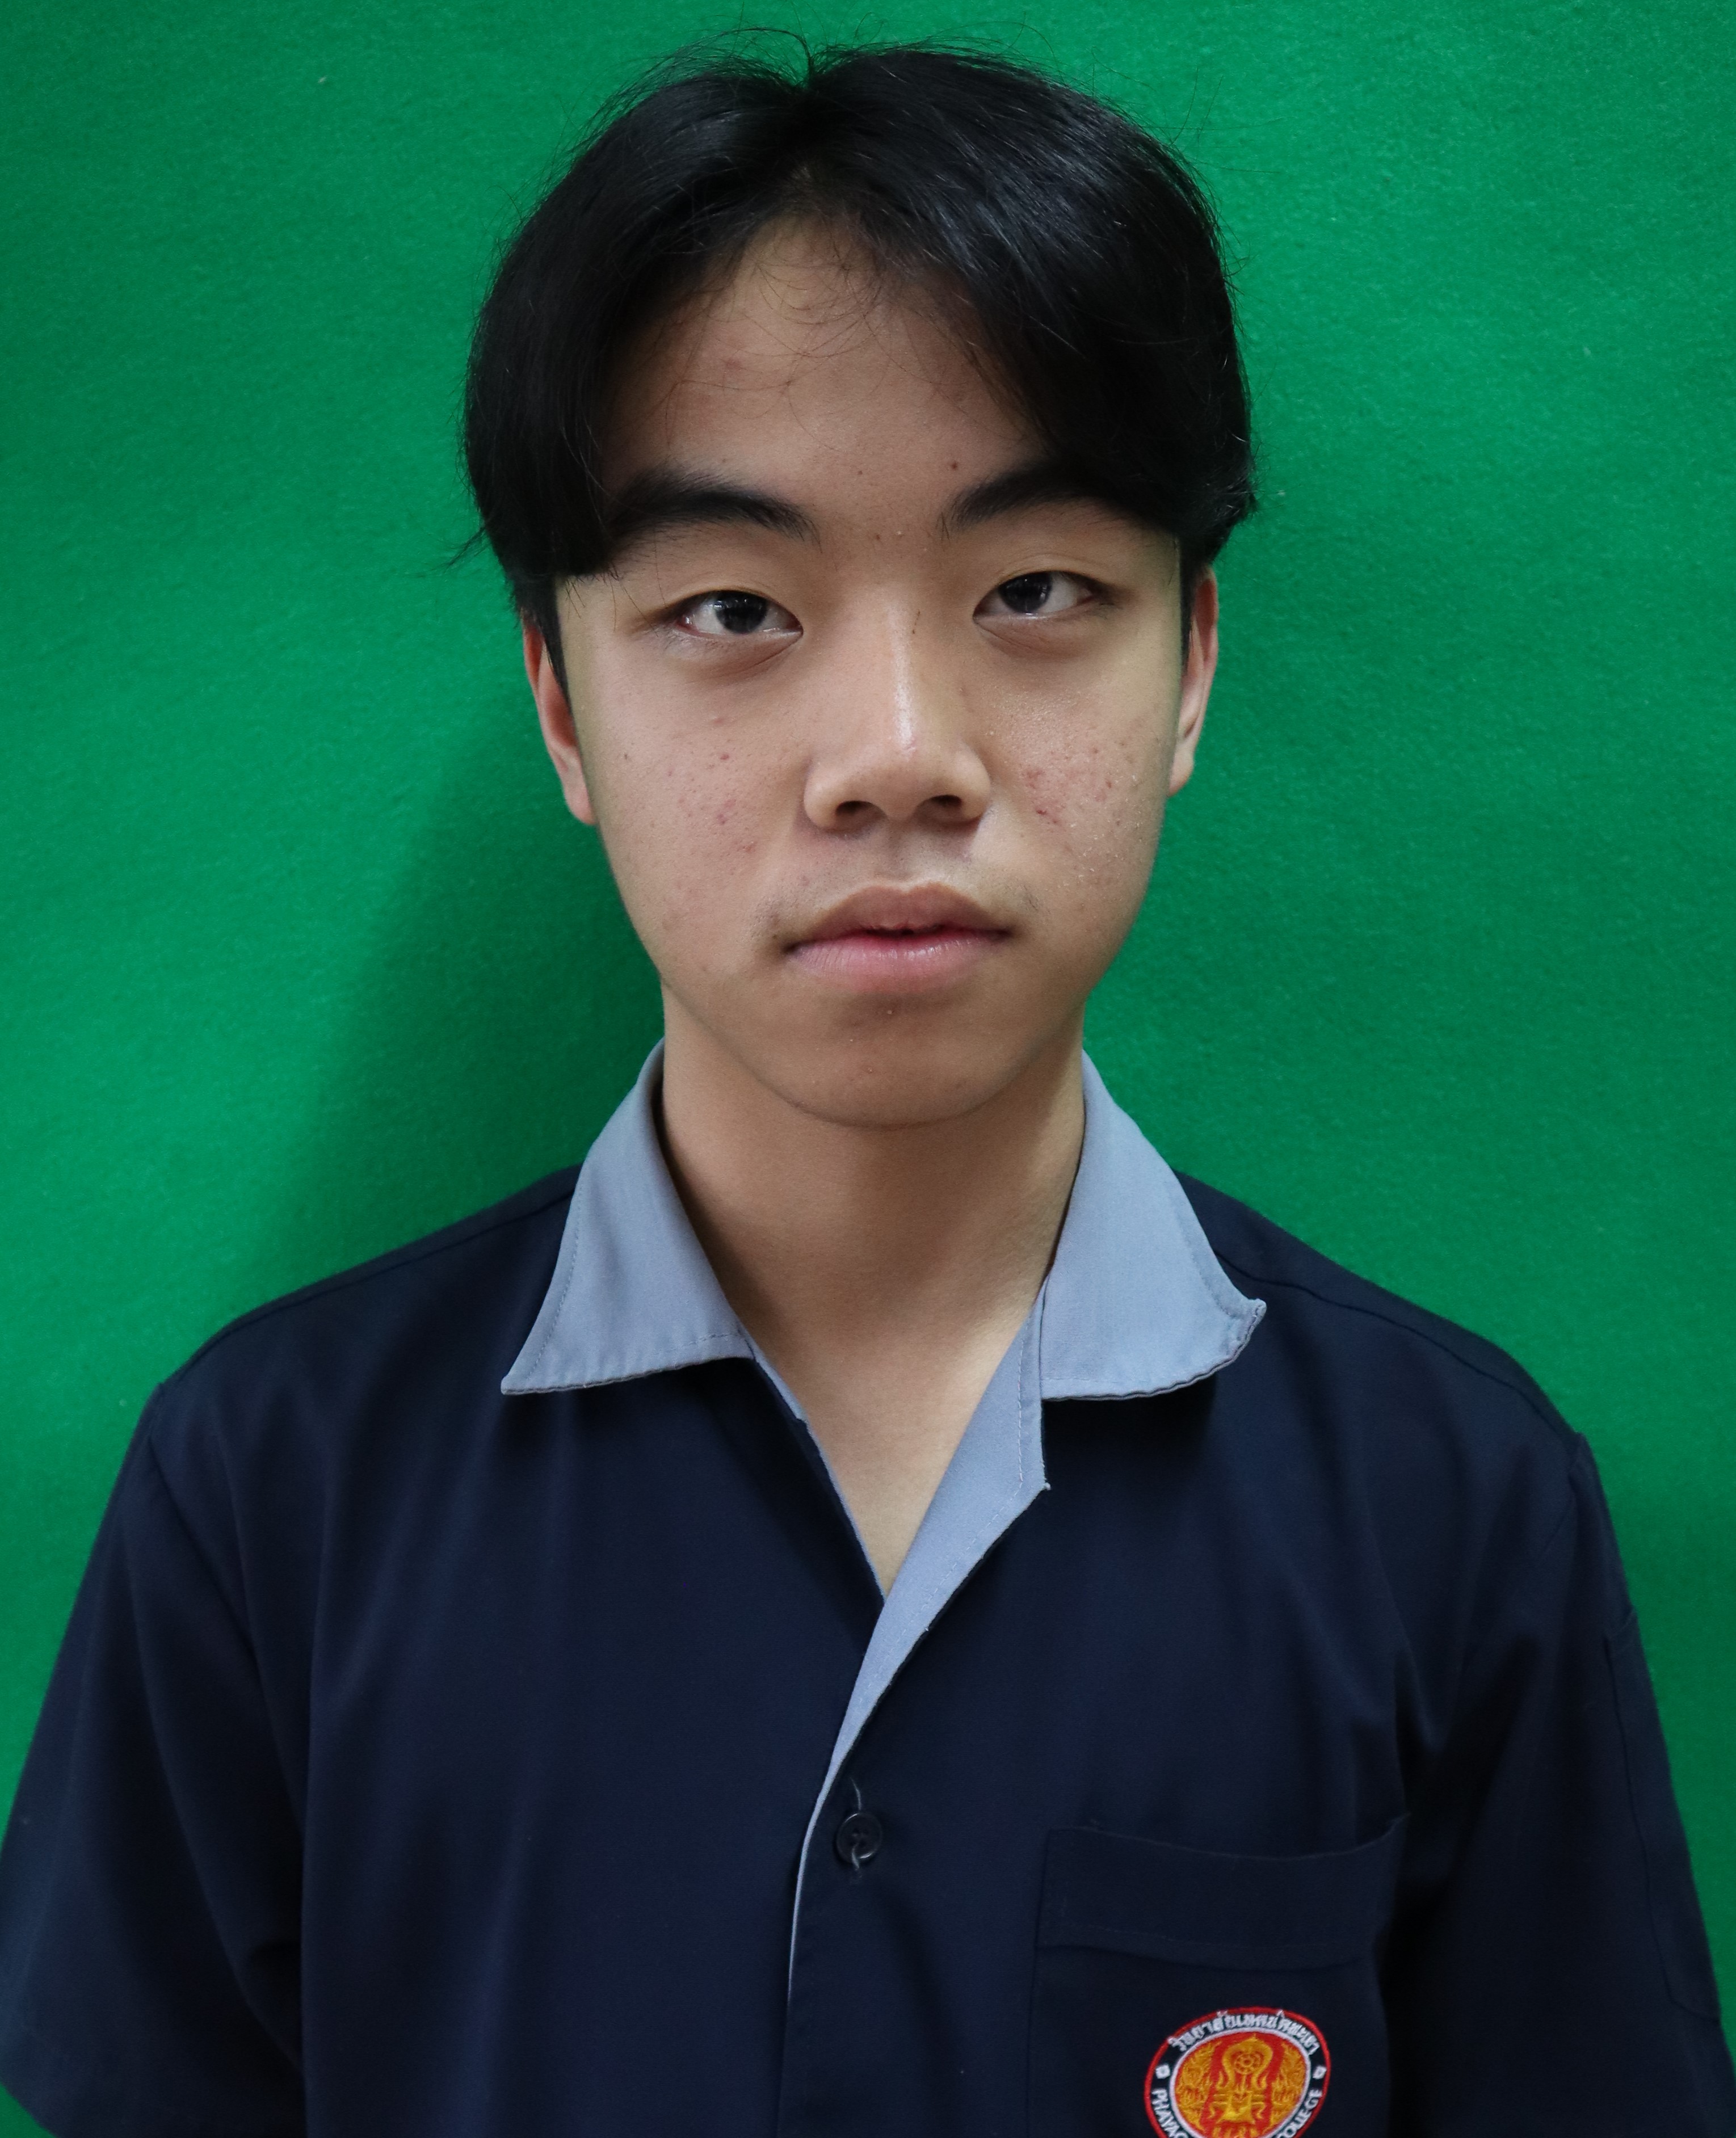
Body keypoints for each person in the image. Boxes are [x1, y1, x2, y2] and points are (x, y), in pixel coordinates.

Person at [0, 42, 1729, 2138]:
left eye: (1032, 593)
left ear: (1189, 664)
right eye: (733, 606)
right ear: (560, 702)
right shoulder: (267, 1499)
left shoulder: (1454, 1505)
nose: (897, 752)